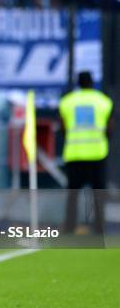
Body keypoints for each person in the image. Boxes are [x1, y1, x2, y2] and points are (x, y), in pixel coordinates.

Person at [59, 71, 113, 234]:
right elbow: (109, 129)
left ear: (78, 83)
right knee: (98, 194)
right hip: (97, 154)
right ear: (92, 82)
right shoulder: (103, 102)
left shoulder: (67, 102)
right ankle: (100, 226)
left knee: (73, 195)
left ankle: (69, 227)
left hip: (75, 154)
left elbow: (63, 128)